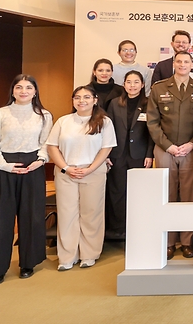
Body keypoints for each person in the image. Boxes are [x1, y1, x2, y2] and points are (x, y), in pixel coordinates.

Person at [0, 75, 53, 286]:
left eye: (29, 87)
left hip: (33, 167)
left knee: (32, 217)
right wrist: (4, 165)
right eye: (19, 87)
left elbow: (47, 142)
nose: (23, 91)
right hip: (3, 168)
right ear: (12, 91)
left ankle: (28, 263)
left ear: (35, 91)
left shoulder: (44, 115)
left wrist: (41, 160)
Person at [147, 51, 193, 260]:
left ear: (192, 65)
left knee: (189, 196)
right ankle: (168, 242)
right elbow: (152, 122)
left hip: (190, 149)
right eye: (179, 61)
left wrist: (192, 143)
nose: (183, 64)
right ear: (173, 64)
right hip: (165, 148)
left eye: (186, 62)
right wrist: (168, 146)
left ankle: (186, 241)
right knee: (166, 195)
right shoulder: (159, 88)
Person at [46, 86, 117, 271]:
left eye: (86, 97)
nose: (81, 101)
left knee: (91, 214)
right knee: (67, 214)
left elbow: (106, 148)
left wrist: (90, 169)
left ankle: (89, 254)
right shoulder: (63, 121)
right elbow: (52, 146)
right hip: (66, 172)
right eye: (77, 97)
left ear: (95, 100)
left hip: (93, 172)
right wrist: (66, 168)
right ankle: (67, 256)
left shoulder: (104, 122)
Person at [104, 70, 153, 240]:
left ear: (143, 84)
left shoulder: (149, 103)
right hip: (117, 154)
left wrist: (149, 154)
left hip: (140, 155)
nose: (132, 85)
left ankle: (137, 228)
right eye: (129, 82)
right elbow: (108, 130)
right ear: (124, 84)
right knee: (117, 191)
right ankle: (118, 229)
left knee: (138, 193)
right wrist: (106, 154)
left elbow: (152, 131)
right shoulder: (114, 103)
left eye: (136, 82)